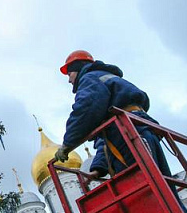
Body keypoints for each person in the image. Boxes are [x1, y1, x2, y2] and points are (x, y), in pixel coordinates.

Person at [53, 50, 170, 179]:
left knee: (142, 183)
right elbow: (105, 138)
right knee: (162, 183)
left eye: (70, 74)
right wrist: (99, 168)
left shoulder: (89, 78)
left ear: (78, 68)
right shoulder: (107, 85)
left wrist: (68, 143)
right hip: (139, 129)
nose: (69, 80)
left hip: (129, 134)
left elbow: (85, 109)